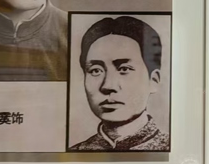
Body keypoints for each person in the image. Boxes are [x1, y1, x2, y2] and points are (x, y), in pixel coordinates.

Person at [70, 15, 170, 152]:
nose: (108, 86)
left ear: (153, 80)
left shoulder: (172, 149)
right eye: (96, 70)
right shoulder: (76, 153)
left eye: (124, 69)